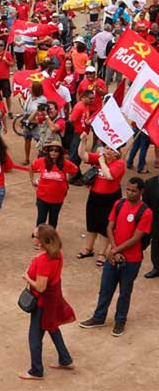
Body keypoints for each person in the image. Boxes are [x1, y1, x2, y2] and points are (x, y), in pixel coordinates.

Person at [78, 178, 154, 336]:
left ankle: (120, 321)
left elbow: (136, 238)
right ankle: (99, 317)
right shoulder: (119, 204)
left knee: (125, 292)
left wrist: (115, 250)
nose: (130, 193)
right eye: (128, 189)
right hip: (113, 256)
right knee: (105, 289)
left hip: (132, 260)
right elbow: (110, 227)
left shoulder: (145, 212)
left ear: (141, 192)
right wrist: (114, 250)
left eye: (134, 191)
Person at [19, 225, 75, 380]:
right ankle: (65, 359)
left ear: (41, 241)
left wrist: (27, 277)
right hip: (54, 298)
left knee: (34, 336)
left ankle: (36, 371)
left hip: (43, 302)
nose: (33, 237)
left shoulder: (43, 260)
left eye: (34, 235)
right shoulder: (57, 253)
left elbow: (41, 287)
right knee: (52, 327)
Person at [76, 133, 127, 267]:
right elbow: (83, 155)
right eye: (107, 148)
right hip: (94, 196)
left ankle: (102, 253)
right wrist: (83, 141)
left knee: (105, 227)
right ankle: (88, 248)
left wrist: (102, 162)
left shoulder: (119, 164)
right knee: (92, 223)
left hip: (110, 198)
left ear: (117, 153)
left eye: (112, 149)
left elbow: (109, 176)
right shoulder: (100, 158)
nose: (108, 151)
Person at [30, 140, 78, 228]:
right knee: (41, 219)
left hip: (57, 198)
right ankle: (39, 236)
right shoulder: (42, 161)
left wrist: (67, 180)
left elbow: (75, 170)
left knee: (53, 219)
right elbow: (32, 167)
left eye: (56, 150)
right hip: (42, 197)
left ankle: (51, 237)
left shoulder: (65, 163)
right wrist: (32, 180)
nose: (53, 152)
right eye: (51, 150)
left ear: (60, 152)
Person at [22, 82, 49, 165]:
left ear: (35, 89)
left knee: (40, 141)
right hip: (27, 121)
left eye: (30, 87)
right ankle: (27, 158)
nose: (28, 88)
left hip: (37, 124)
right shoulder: (29, 97)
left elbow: (41, 112)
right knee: (27, 139)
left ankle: (43, 160)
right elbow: (25, 108)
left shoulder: (43, 99)